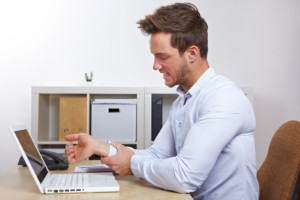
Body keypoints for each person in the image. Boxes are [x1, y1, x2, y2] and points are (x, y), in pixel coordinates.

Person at [65, 3, 259, 199]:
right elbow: (157, 155)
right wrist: (99, 146)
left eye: (162, 57)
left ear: (192, 53)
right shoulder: (183, 101)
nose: (155, 65)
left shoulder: (224, 98)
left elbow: (185, 175)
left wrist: (131, 163)